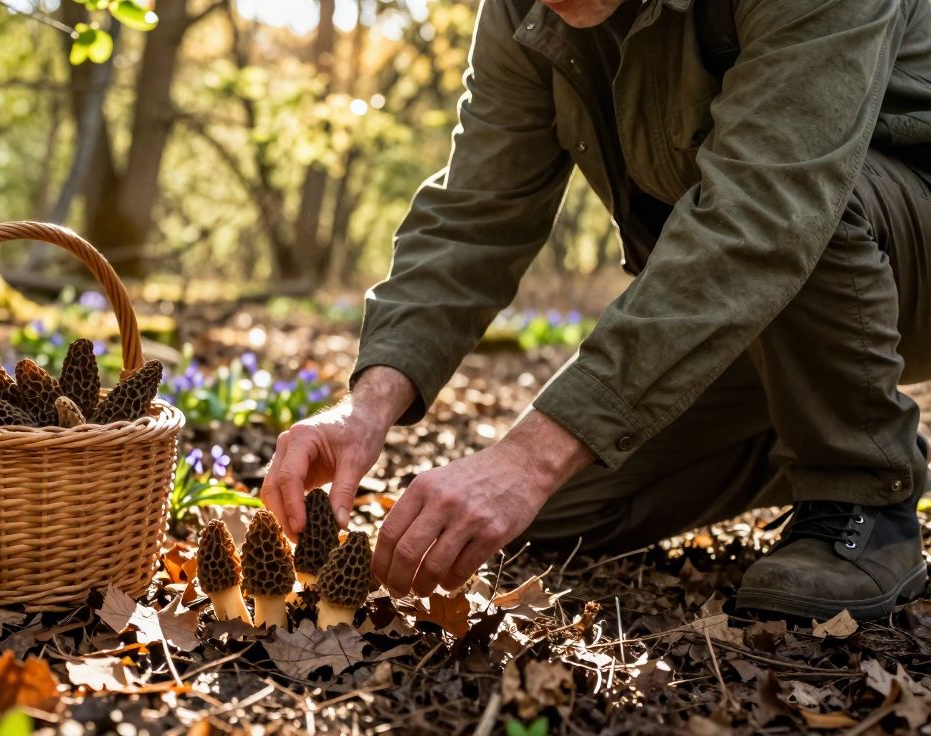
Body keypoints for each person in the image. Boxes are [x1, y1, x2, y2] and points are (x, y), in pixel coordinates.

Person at [262, 0, 931, 620]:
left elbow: (763, 220)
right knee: (555, 515)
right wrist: (368, 403)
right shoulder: (525, 11)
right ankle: (830, 418)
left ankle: (864, 490)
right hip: (762, 311)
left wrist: (528, 457)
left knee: (803, 203)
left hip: (886, 246)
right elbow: (475, 214)